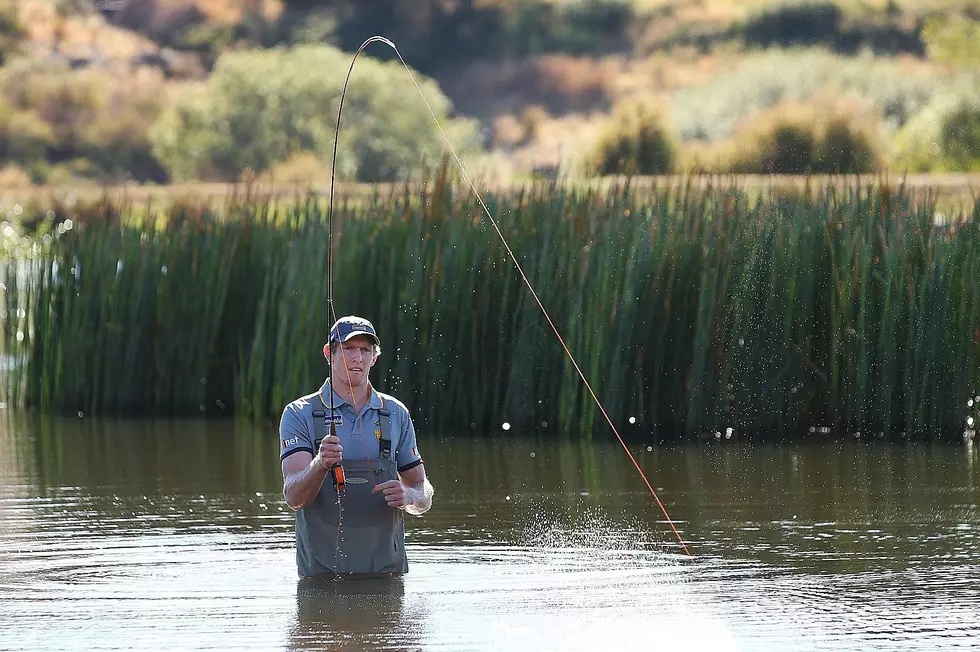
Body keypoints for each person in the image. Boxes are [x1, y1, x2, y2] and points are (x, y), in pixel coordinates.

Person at [279, 316, 434, 577]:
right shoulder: (299, 413)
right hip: (321, 579)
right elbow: (294, 498)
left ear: (374, 358)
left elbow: (423, 491)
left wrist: (410, 497)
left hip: (388, 576)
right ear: (330, 353)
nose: (357, 358)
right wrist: (319, 464)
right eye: (349, 348)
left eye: (365, 350)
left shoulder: (395, 413)